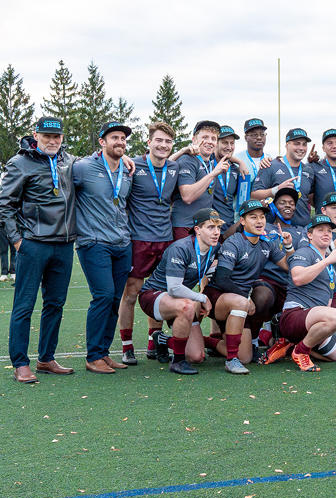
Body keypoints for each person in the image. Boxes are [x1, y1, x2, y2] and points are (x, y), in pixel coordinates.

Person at [0, 117, 77, 383]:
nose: (53, 141)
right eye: (47, 136)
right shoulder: (19, 163)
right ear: (36, 135)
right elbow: (4, 204)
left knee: (55, 304)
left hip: (64, 245)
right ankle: (20, 363)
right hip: (33, 244)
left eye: (57, 137)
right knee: (24, 305)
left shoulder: (68, 160)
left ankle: (46, 358)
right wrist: (17, 241)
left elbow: (99, 163)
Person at [73, 121, 135, 374]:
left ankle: (104, 352)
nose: (120, 142)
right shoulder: (83, 167)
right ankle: (93, 356)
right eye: (114, 138)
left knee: (113, 300)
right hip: (93, 242)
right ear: (102, 142)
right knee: (103, 295)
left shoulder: (127, 169)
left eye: (123, 138)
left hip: (122, 243)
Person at [203, 199, 293, 374]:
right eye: (253, 217)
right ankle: (230, 360)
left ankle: (206, 341)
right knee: (243, 303)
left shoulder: (267, 243)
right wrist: (245, 299)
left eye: (262, 217)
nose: (259, 221)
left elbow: (290, 266)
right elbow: (221, 279)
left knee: (246, 356)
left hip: (240, 302)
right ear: (242, 221)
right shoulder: (234, 242)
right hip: (219, 297)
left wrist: (288, 245)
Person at [118, 121, 179, 365]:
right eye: (159, 140)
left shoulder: (174, 167)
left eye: (168, 141)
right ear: (149, 142)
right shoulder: (133, 165)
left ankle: (156, 341)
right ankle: (127, 345)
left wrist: (185, 151)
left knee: (159, 293)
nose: (163, 145)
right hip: (139, 240)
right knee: (131, 294)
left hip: (165, 240)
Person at [137, 208, 222, 374]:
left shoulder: (215, 247)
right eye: (211, 227)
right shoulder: (181, 247)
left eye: (218, 228)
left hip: (180, 298)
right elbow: (174, 288)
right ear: (197, 229)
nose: (216, 232)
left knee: (197, 356)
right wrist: (202, 297)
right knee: (189, 306)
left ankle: (162, 340)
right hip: (153, 295)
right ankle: (177, 362)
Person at [280, 214, 336, 372]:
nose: (326, 234)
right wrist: (327, 261)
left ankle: (292, 347)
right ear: (309, 235)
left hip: (312, 320)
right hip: (295, 314)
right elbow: (297, 278)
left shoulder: (330, 266)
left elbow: (328, 302)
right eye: (320, 230)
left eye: (329, 231)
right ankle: (301, 351)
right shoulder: (304, 252)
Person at [249, 188, 308, 350]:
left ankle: (271, 330)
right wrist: (253, 211)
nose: (288, 206)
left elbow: (298, 262)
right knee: (263, 296)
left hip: (290, 285)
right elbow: (230, 235)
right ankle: (253, 340)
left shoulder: (300, 231)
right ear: (273, 206)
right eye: (282, 202)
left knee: (285, 343)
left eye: (291, 203)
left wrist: (288, 245)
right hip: (266, 282)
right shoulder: (263, 226)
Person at [170, 121, 231, 240]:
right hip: (185, 226)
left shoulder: (210, 162)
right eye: (205, 137)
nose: (209, 141)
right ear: (194, 140)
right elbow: (187, 196)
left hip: (202, 226)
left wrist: (241, 162)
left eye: (213, 138)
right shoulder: (187, 160)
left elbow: (226, 153)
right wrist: (213, 174)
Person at [251, 128, 314, 226]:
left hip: (303, 231)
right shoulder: (270, 165)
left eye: (304, 144)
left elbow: (310, 198)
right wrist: (277, 189)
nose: (301, 148)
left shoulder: (308, 170)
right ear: (287, 145)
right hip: (277, 230)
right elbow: (253, 195)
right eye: (297, 143)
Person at [211, 125, 244, 235]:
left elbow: (241, 200)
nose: (229, 147)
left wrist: (240, 163)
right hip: (208, 229)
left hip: (228, 230)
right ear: (216, 143)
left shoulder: (235, 169)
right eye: (225, 142)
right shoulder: (207, 164)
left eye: (232, 143)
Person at [309, 128, 336, 214]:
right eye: (329, 143)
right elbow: (310, 197)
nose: (334, 146)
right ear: (323, 148)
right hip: (323, 223)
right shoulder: (315, 167)